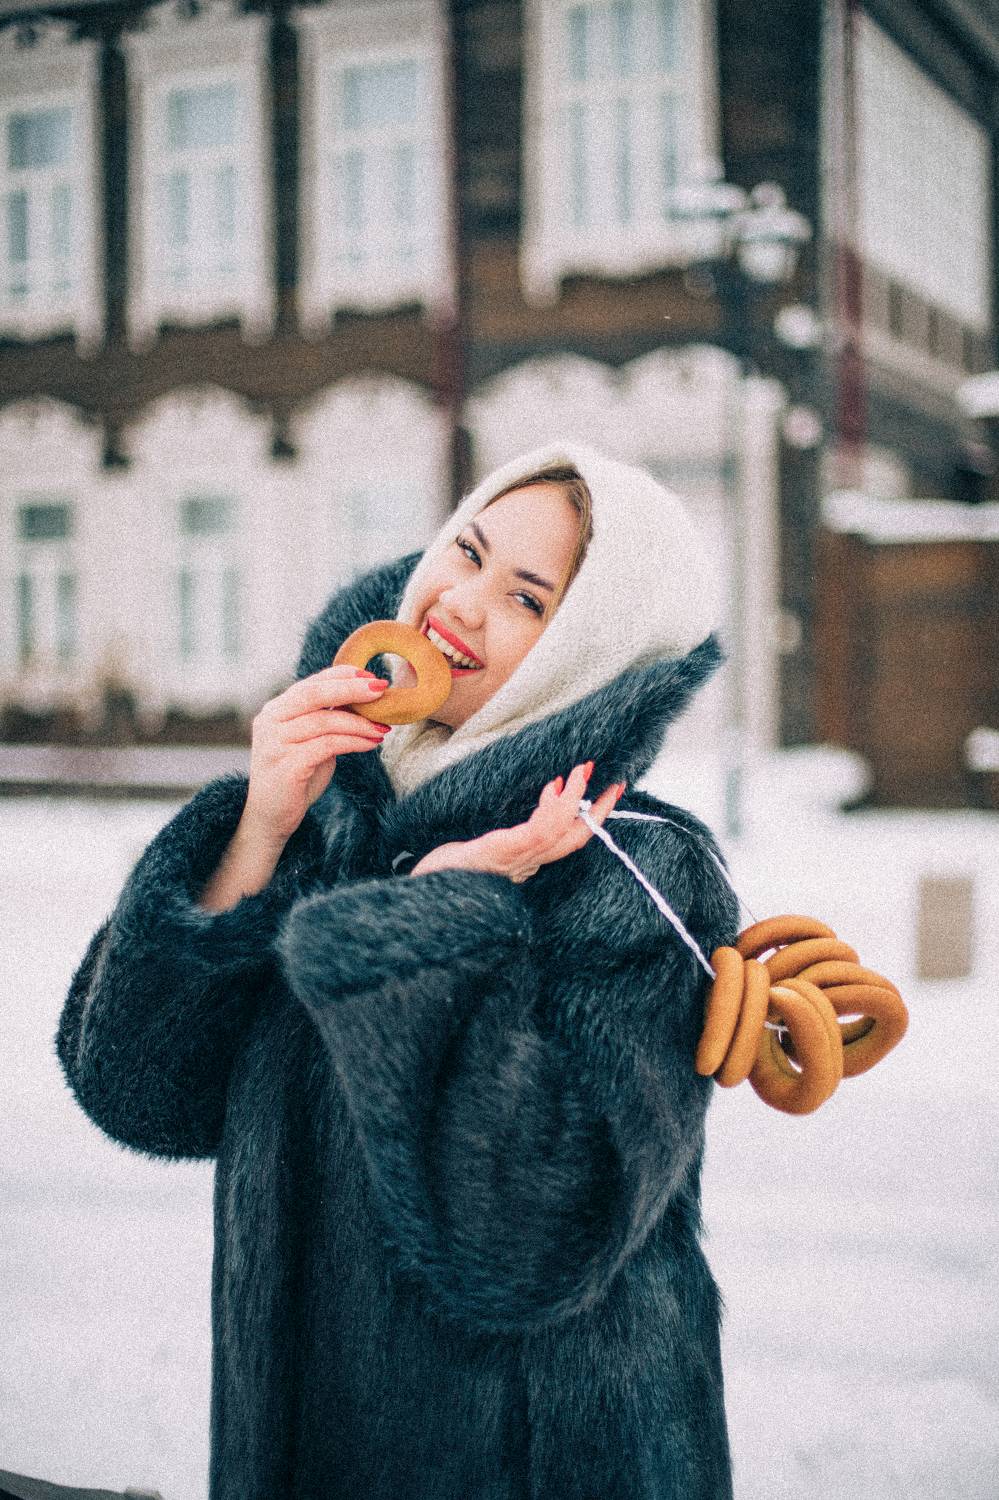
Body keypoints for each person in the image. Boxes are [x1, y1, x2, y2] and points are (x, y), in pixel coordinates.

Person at [57, 440, 740, 1500]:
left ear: (587, 657)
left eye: (525, 599)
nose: (460, 603)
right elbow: (135, 1092)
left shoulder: (633, 868)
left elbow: (532, 1245)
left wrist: (438, 925)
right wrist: (258, 830)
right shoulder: (329, 814)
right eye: (466, 550)